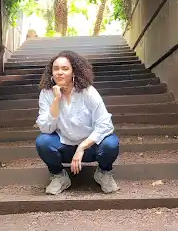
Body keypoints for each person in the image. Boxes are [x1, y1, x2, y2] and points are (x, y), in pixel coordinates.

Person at [35, 50, 120, 195]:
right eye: (56, 69)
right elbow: (46, 128)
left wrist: (82, 147)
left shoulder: (88, 92)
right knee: (43, 142)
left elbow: (105, 125)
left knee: (111, 143)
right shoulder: (46, 93)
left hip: (90, 147)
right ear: (51, 73)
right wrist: (56, 99)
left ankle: (103, 173)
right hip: (64, 146)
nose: (59, 72)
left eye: (65, 69)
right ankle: (59, 176)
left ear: (74, 72)